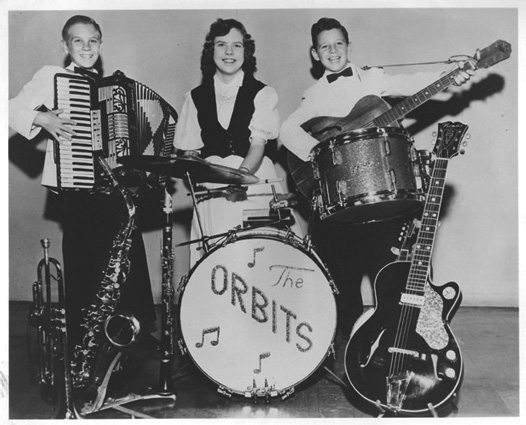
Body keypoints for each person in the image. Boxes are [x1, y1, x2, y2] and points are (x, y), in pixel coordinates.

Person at [280, 17, 474, 339]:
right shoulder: (313, 95)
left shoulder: (372, 78)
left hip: (382, 199)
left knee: (391, 279)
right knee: (343, 287)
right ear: (315, 54)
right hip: (342, 209)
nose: (333, 51)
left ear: (349, 46)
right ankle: (349, 351)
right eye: (325, 46)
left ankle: (392, 343)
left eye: (338, 43)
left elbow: (412, 83)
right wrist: (320, 153)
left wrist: (451, 76)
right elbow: (287, 130)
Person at [9, 15, 157, 352]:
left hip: (113, 189)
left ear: (101, 44)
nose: (86, 47)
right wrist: (42, 118)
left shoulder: (111, 89)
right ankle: (83, 341)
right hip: (78, 188)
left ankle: (129, 335)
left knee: (125, 261)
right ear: (65, 46)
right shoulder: (53, 77)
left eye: (93, 41)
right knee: (84, 264)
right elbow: (10, 109)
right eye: (78, 41)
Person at [174, 18, 302, 266]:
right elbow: (190, 151)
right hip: (213, 189)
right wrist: (192, 162)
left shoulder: (263, 93)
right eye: (221, 45)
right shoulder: (194, 97)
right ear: (211, 51)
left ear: (246, 51)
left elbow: (258, 145)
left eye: (237, 45)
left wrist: (239, 177)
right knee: (216, 262)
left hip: (253, 181)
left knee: (259, 259)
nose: (229, 52)